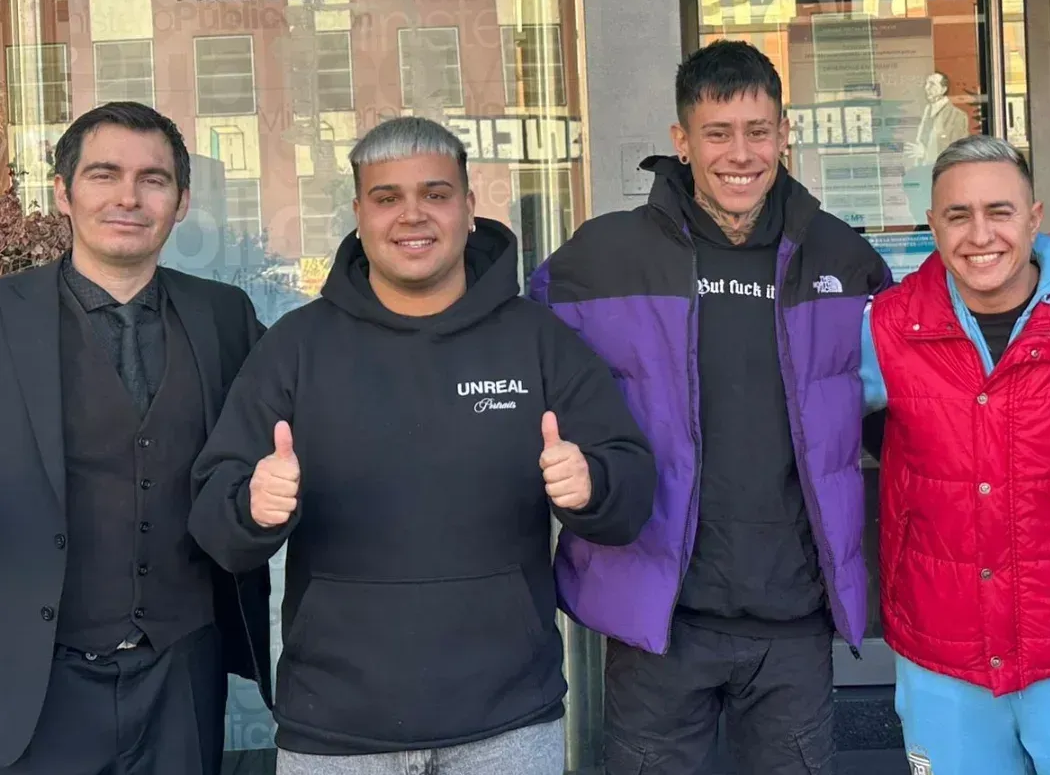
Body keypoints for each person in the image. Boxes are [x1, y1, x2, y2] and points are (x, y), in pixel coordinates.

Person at [189, 116, 656, 775]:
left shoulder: (538, 342)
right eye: (388, 197)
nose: (413, 214)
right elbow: (216, 516)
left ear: (468, 208)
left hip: (507, 724)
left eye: (435, 194)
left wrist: (592, 485)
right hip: (335, 731)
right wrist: (253, 507)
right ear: (359, 213)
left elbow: (632, 490)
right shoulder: (296, 348)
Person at [529, 40, 891, 774]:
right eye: (717, 132)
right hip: (659, 615)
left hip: (794, 617)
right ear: (681, 141)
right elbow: (510, 357)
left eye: (759, 131)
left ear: (785, 133)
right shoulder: (600, 260)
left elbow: (912, 399)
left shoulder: (845, 261)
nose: (741, 154)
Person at [0, 101, 271, 775]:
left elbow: (315, 403)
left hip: (184, 672)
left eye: (153, 179)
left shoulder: (224, 315)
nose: (128, 197)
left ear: (180, 202)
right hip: (35, 682)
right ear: (62, 193)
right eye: (103, 175)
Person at [860, 135, 1050, 774]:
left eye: (1000, 212)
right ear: (932, 224)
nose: (979, 234)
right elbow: (807, 434)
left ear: (1035, 218)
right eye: (957, 216)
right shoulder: (885, 328)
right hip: (943, 647)